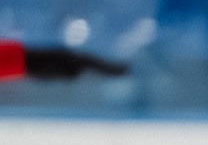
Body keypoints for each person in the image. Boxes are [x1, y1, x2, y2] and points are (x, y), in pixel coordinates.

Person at [0, 40, 129, 83]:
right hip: (28, 62)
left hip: (27, 60)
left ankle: (116, 71)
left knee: (78, 63)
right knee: (77, 64)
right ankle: (117, 71)